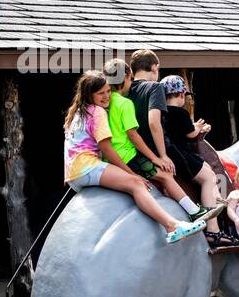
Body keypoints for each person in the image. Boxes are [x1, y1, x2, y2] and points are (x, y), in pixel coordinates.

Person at [63, 70, 206, 244]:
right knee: (137, 184)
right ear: (88, 94)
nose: (106, 96)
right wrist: (130, 174)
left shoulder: (78, 112)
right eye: (101, 93)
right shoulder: (97, 112)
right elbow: (106, 148)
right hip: (88, 167)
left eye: (108, 91)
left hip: (73, 172)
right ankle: (172, 225)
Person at [103, 58, 220, 225]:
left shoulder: (105, 103)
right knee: (168, 176)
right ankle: (197, 213)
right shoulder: (126, 103)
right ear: (128, 76)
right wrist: (159, 157)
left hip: (110, 156)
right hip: (128, 154)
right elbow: (137, 133)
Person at [160, 74, 226, 241]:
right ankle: (213, 228)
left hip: (171, 152)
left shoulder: (161, 112)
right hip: (182, 154)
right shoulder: (179, 113)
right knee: (209, 178)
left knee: (209, 172)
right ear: (181, 95)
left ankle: (216, 206)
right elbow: (190, 133)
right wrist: (197, 128)